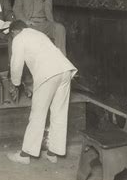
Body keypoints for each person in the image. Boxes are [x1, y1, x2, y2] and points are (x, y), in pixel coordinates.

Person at [6, 20, 77, 165]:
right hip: (64, 69)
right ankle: (53, 153)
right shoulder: (38, 34)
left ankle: (25, 155)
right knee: (59, 112)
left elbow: (16, 65)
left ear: (14, 32)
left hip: (47, 74)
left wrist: (15, 84)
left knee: (38, 114)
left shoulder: (19, 38)